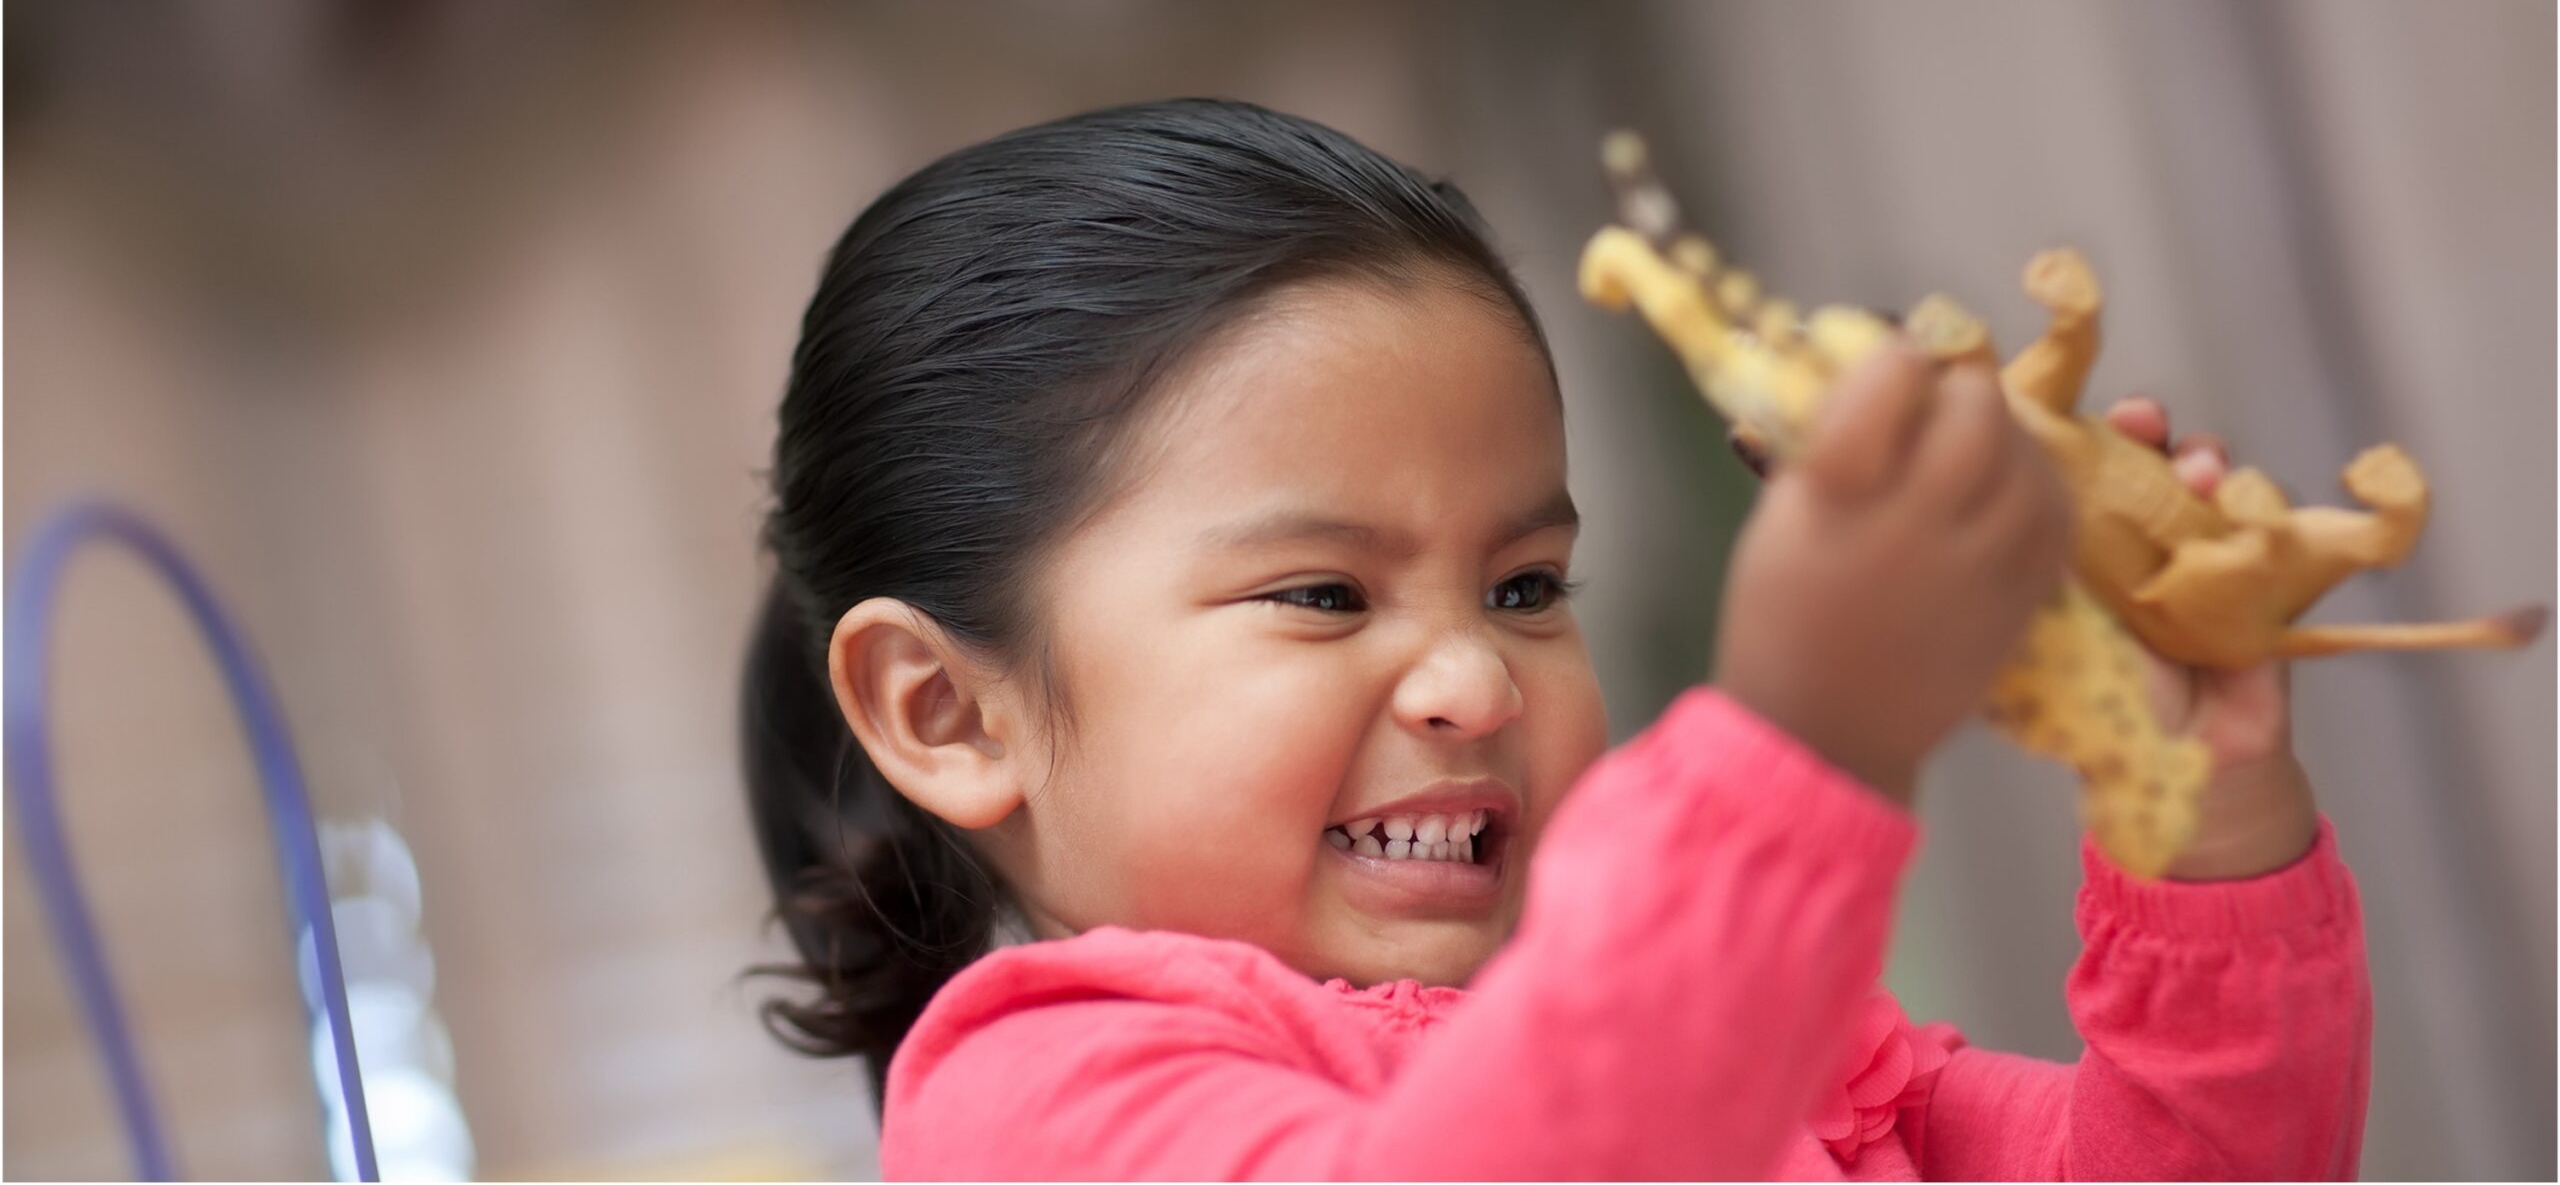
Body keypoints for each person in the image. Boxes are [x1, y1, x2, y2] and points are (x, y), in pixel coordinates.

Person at [739, 98, 2369, 1179]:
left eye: (1525, 585)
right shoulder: (1040, 1106)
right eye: (1324, 594)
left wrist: (2198, 807)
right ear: (948, 710)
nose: (1473, 681)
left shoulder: (1747, 1037)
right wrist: (1800, 740)